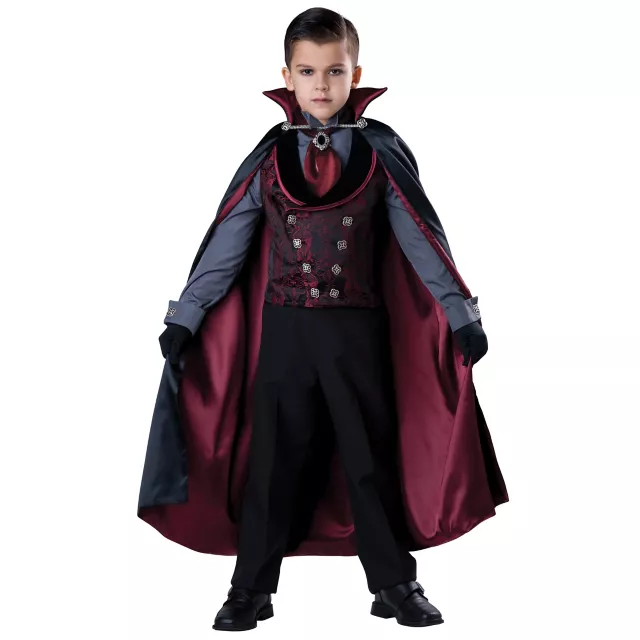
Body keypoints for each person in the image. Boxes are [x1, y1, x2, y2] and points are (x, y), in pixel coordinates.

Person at [138, 6, 509, 632]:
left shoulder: (380, 153)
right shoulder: (267, 159)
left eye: (333, 71)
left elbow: (422, 240)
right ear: (287, 75)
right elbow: (228, 243)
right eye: (307, 71)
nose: (320, 84)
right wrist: (188, 316)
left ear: (354, 74)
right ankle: (251, 588)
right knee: (271, 463)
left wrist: (459, 315)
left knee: (368, 459)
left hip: (356, 333)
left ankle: (393, 583)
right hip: (284, 332)